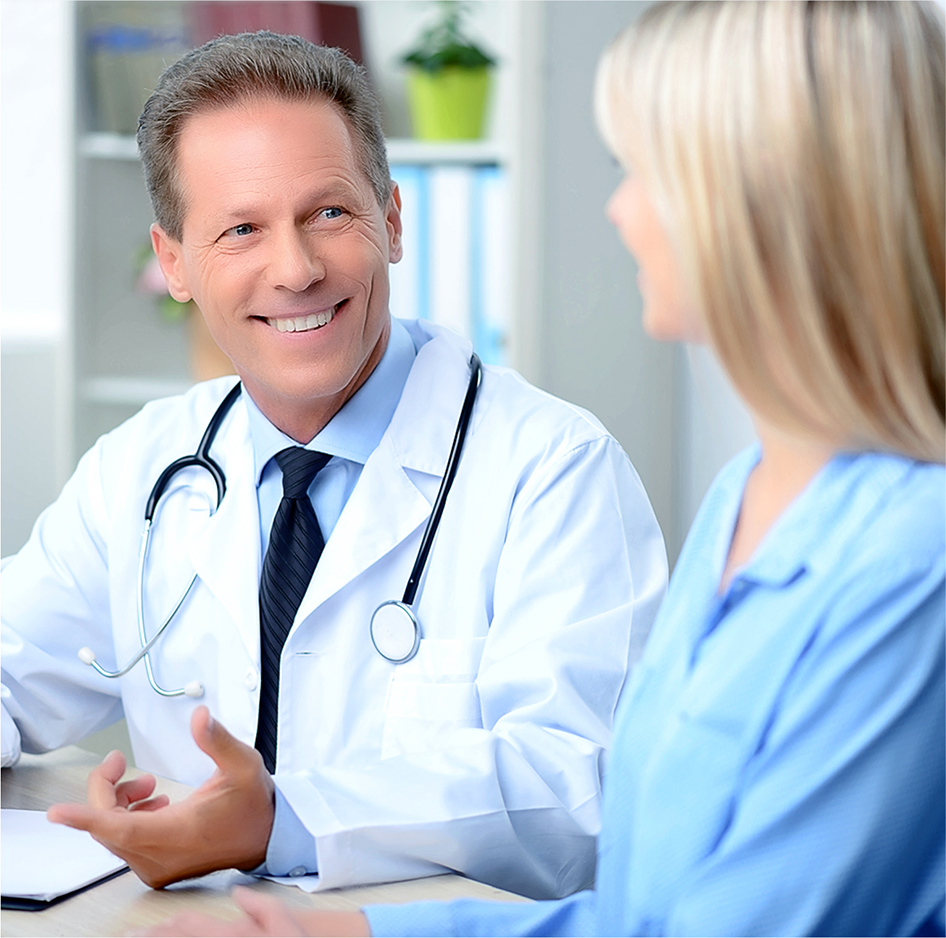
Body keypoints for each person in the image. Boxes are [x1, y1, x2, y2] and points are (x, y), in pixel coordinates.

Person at [143, 1, 946, 935]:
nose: (619, 211)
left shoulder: (913, 562)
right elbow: (643, 911)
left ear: (778, 204)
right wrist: (359, 932)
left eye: (646, 171)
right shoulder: (748, 497)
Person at [0, 33, 669, 897]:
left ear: (391, 222)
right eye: (242, 229)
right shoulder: (140, 469)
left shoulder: (554, 470)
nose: (296, 270)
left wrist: (283, 822)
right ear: (174, 264)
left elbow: (577, 791)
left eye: (328, 214)